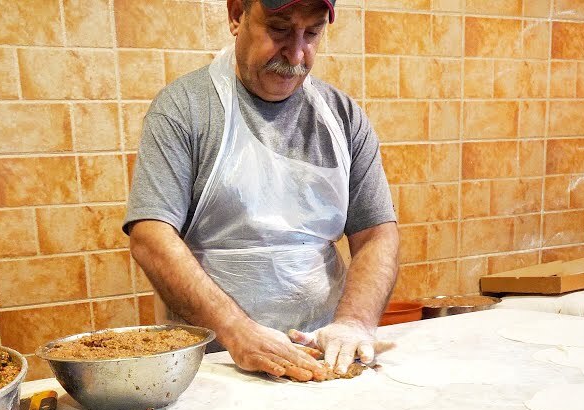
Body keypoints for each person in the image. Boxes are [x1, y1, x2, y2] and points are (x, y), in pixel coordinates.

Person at [124, 0, 400, 382]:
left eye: (313, 33)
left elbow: (376, 235)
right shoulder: (184, 109)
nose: (297, 52)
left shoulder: (342, 116)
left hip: (324, 358)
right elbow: (150, 236)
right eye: (280, 29)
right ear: (237, 15)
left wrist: (354, 322)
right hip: (217, 363)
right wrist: (238, 332)